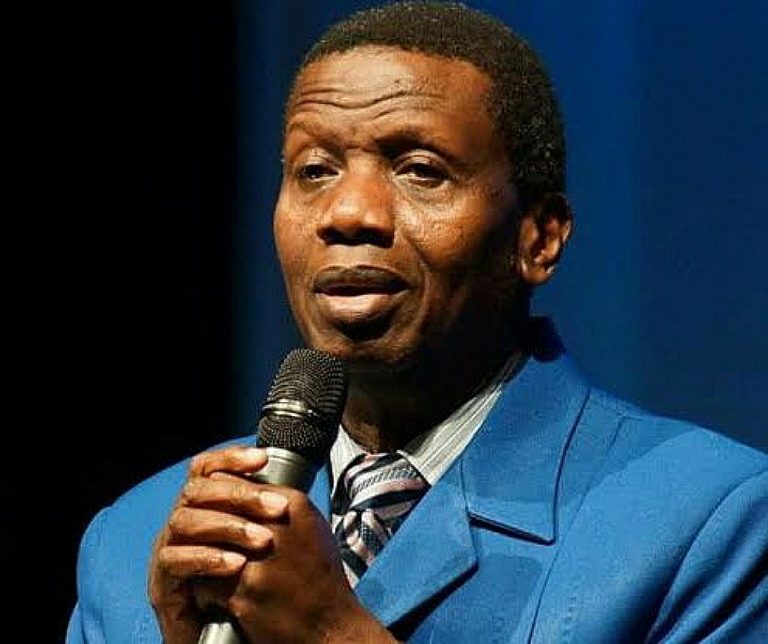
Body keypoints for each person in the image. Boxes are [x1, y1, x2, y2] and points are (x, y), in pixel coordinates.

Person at [67, 2, 767, 642]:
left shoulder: (710, 522)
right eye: (314, 171)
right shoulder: (137, 543)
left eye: (420, 170)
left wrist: (331, 633)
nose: (348, 214)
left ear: (539, 237)